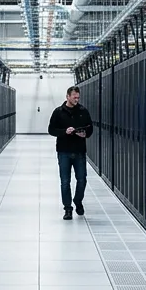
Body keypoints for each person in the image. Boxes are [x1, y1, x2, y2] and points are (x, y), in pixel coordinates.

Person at [47, 86, 94, 219]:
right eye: (74, 97)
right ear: (67, 96)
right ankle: (68, 208)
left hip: (79, 151)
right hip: (64, 151)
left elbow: (90, 129)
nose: (76, 99)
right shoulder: (58, 112)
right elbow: (51, 130)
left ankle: (78, 201)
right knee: (65, 181)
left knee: (82, 179)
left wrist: (84, 134)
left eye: (78, 97)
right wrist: (64, 132)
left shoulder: (83, 111)